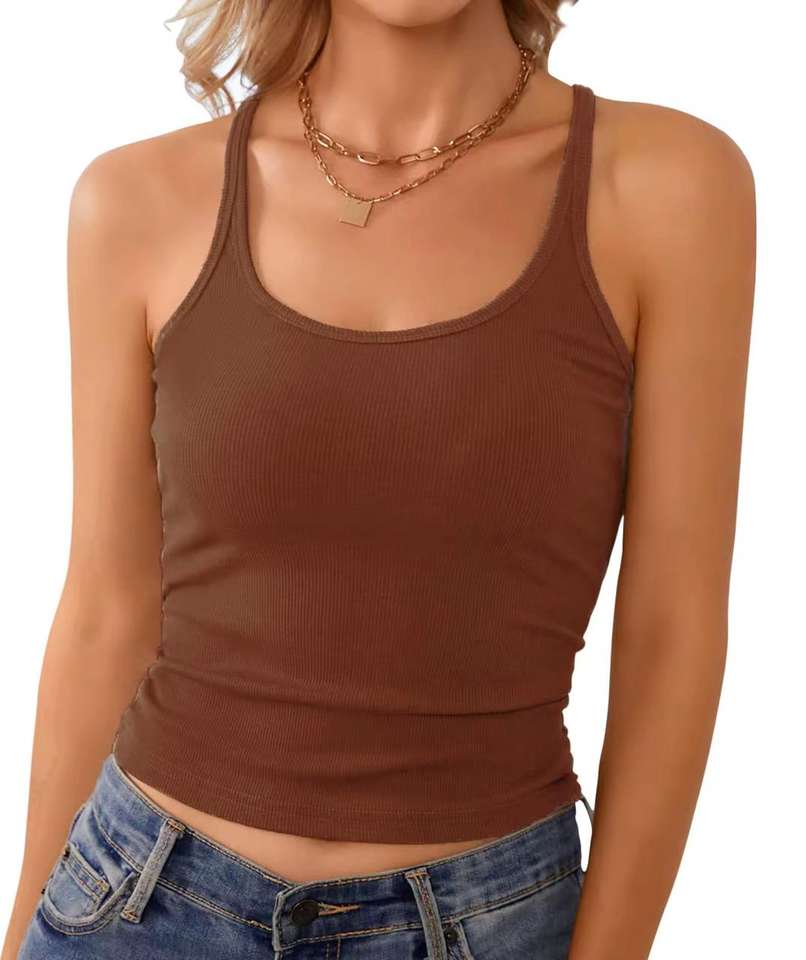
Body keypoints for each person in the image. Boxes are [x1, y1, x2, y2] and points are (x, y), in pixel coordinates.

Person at [4, 1, 755, 958]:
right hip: (135, 901)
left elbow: (673, 630)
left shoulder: (666, 188)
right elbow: (107, 612)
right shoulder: (138, 199)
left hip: (483, 919)